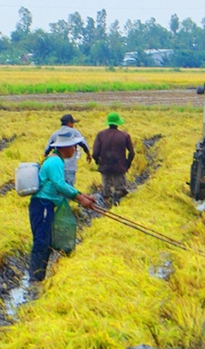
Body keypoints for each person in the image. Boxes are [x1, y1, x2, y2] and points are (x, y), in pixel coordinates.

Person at [29, 129, 97, 282]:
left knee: (46, 241)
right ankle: (35, 279)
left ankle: (39, 276)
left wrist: (83, 195)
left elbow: (63, 184)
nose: (75, 150)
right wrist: (80, 199)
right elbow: (59, 185)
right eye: (73, 146)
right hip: (42, 205)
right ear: (65, 147)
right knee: (41, 241)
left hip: (46, 205)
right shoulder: (55, 162)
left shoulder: (57, 161)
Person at [93, 111, 135, 205]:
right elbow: (131, 153)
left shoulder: (100, 135)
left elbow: (95, 153)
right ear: (118, 123)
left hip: (105, 166)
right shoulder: (125, 135)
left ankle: (107, 205)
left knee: (106, 191)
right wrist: (127, 164)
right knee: (121, 189)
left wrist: (97, 161)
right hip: (119, 166)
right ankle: (117, 195)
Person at [45, 113, 94, 186]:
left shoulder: (55, 134)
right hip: (70, 167)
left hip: (57, 167)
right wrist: (88, 155)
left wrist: (45, 158)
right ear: (69, 123)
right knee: (69, 189)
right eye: (72, 123)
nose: (73, 125)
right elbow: (83, 144)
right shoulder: (74, 132)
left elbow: (47, 149)